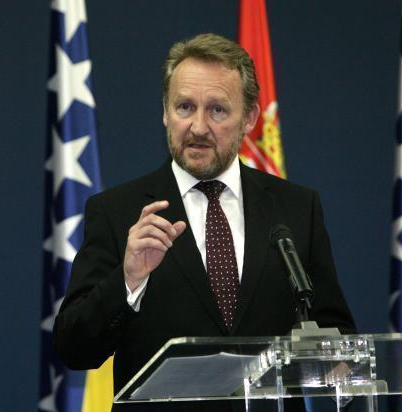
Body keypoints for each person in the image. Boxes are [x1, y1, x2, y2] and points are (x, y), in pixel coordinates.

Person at [53, 33, 356, 411]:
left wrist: (336, 363)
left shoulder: (295, 208)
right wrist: (128, 280)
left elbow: (338, 335)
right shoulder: (117, 211)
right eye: (184, 107)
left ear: (249, 118)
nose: (197, 127)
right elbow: (74, 349)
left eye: (217, 110)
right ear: (165, 112)